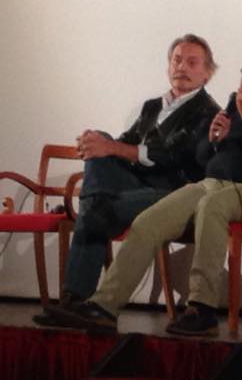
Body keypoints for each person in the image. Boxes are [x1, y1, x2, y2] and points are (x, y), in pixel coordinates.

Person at [47, 47, 242, 337]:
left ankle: (202, 309)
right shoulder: (236, 103)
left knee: (212, 205)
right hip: (213, 185)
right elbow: (205, 160)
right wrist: (214, 140)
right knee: (148, 222)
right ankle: (104, 307)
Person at [34, 34, 221, 327]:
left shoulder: (209, 112)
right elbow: (124, 144)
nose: (181, 67)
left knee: (95, 206)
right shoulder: (152, 107)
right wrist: (95, 145)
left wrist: (111, 148)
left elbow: (170, 154)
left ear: (207, 72)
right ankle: (76, 301)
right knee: (100, 147)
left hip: (173, 194)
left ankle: (75, 299)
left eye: (191, 62)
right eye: (176, 60)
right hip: (135, 186)